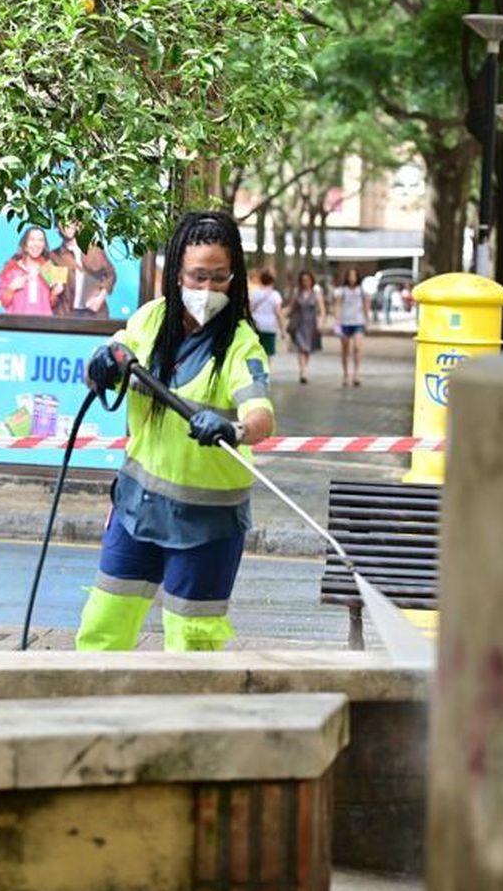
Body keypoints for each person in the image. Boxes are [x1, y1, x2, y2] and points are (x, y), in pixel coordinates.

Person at [76, 210, 275, 653]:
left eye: (219, 279)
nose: (207, 290)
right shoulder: (150, 321)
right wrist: (103, 364)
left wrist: (233, 427)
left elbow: (262, 416)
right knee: (102, 631)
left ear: (235, 278)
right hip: (137, 512)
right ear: (176, 275)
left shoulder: (240, 345)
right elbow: (107, 363)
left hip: (207, 525)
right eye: (197, 277)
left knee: (192, 649)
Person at [48, 221, 117, 318]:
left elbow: (111, 274)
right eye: (63, 221)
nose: (68, 225)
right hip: (66, 314)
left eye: (71, 221)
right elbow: (54, 285)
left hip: (95, 313)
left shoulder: (95, 250)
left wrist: (100, 298)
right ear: (56, 228)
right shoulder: (54, 255)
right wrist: (55, 287)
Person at [0, 226, 62, 315]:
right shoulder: (11, 270)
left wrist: (55, 293)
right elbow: (3, 302)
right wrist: (11, 288)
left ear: (44, 245)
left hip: (43, 324)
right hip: (17, 324)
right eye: (32, 239)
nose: (36, 244)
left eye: (40, 240)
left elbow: (52, 304)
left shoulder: (49, 269)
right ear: (25, 244)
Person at [286, 270, 325, 385]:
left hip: (311, 324)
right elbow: (291, 307)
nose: (305, 282)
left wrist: (321, 322)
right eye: (303, 280)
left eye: (307, 280)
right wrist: (280, 314)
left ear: (311, 281)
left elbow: (322, 310)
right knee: (301, 348)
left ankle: (304, 369)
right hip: (299, 323)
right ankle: (303, 372)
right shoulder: (297, 293)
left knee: (307, 349)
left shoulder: (316, 293)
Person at [334, 267, 368, 387]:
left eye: (354, 276)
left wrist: (366, 320)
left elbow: (366, 305)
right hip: (345, 322)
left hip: (358, 321)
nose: (352, 278)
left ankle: (356, 373)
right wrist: (337, 320)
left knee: (357, 347)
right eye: (350, 276)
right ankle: (345, 374)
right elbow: (338, 305)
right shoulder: (342, 291)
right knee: (345, 349)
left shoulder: (361, 291)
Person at [247, 267, 284, 365]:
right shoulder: (275, 295)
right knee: (268, 352)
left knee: (255, 350)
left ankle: (256, 372)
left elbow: (249, 310)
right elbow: (278, 313)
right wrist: (282, 329)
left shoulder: (254, 294)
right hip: (269, 326)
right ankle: (266, 372)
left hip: (256, 325)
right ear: (272, 281)